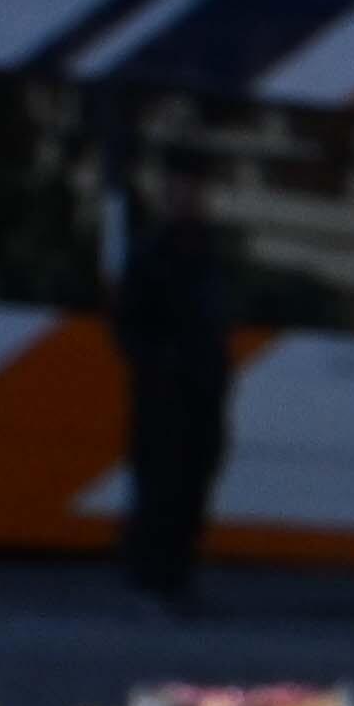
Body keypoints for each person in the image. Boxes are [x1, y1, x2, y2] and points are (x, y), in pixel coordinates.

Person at [103, 137, 238, 613]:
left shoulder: (210, 249)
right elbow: (128, 326)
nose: (190, 197)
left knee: (193, 490)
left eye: (196, 189)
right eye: (182, 188)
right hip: (164, 400)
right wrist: (160, 368)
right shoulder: (153, 252)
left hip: (203, 395)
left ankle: (177, 577)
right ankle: (156, 580)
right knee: (160, 489)